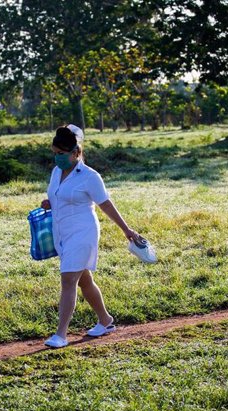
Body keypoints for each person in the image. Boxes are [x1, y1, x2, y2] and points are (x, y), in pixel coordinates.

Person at [42, 124, 141, 348]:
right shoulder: (57, 171)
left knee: (68, 280)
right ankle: (105, 321)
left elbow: (105, 204)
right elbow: (58, 194)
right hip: (62, 233)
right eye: (54, 153)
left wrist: (127, 230)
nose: (57, 158)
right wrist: (49, 202)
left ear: (76, 152)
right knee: (84, 280)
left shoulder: (90, 176)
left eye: (61, 154)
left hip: (83, 233)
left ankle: (61, 335)